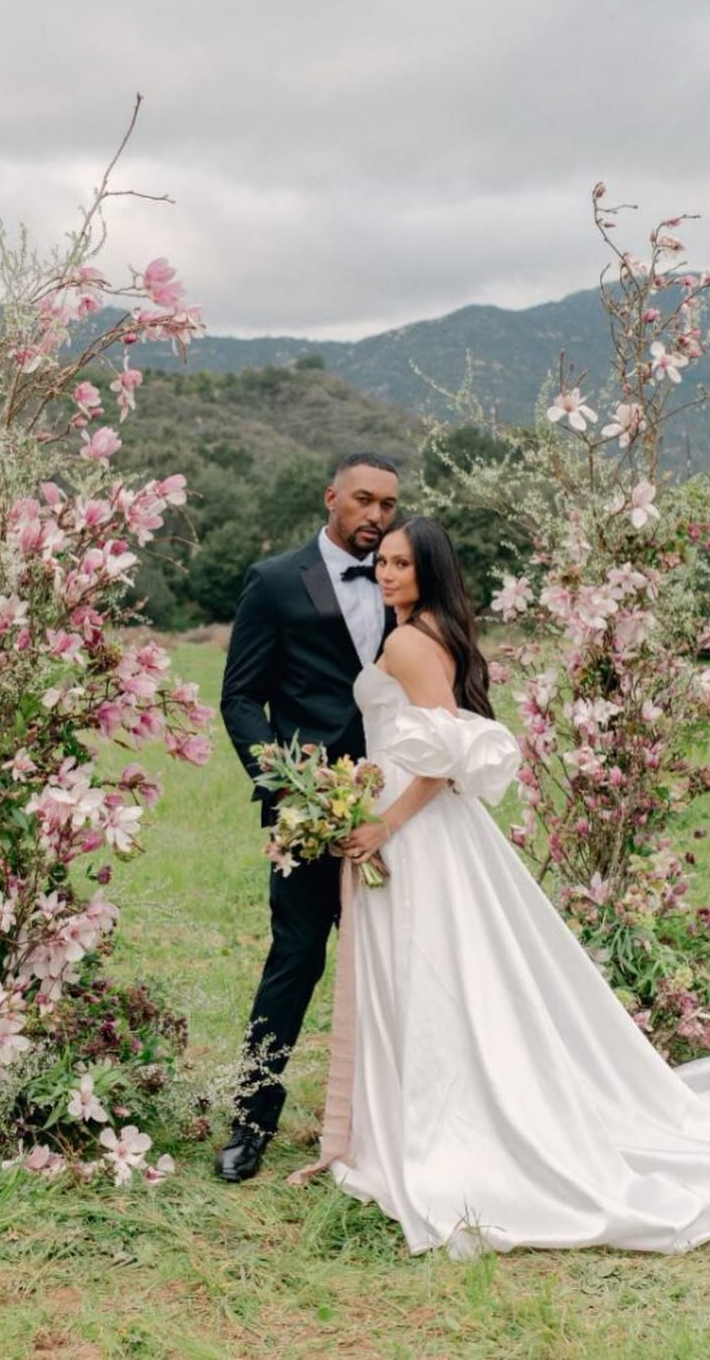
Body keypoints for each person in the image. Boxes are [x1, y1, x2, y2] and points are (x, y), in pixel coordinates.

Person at [293, 515, 710, 1255]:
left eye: (400, 565)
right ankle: (421, 1110)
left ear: (429, 572)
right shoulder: (437, 633)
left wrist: (384, 824)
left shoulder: (408, 642)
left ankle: (437, 1125)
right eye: (380, 563)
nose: (385, 575)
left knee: (428, 969)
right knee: (445, 970)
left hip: (413, 828)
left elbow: (443, 752)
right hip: (421, 821)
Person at [215, 451, 400, 1182]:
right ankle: (250, 1121)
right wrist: (289, 783)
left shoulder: (404, 580)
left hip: (391, 809)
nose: (376, 518)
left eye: (387, 505)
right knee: (294, 960)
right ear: (331, 498)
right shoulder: (272, 582)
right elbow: (239, 698)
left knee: (398, 961)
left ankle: (395, 1123)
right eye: (363, 501)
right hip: (306, 812)